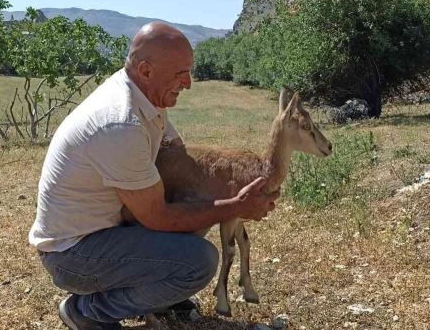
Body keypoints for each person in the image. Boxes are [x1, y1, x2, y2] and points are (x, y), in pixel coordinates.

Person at [28, 22, 279, 330]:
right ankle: (88, 310)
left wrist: (230, 182)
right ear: (146, 70)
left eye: (189, 71)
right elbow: (158, 218)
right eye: (180, 73)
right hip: (74, 255)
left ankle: (154, 295)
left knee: (192, 216)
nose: (188, 83)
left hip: (102, 235)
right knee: (198, 261)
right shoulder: (120, 123)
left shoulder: (144, 98)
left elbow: (177, 156)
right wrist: (236, 205)